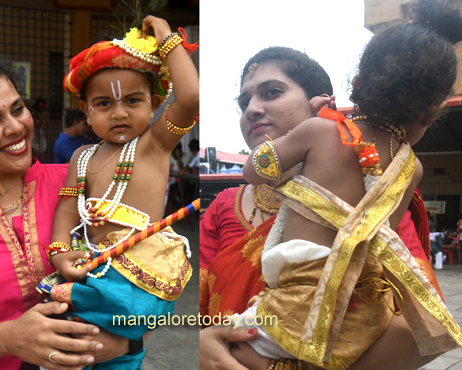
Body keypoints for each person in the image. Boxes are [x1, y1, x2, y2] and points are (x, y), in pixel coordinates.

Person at [238, 0, 462, 367]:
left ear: (357, 84)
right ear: (433, 112)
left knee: (229, 345)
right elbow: (380, 233)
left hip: (294, 301)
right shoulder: (413, 169)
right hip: (363, 308)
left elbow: (253, 170)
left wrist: (302, 129)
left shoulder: (319, 130)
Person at [199, 46, 443, 370]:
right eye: (244, 103)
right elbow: (196, 312)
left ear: (325, 105)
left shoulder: (376, 200)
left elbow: (416, 330)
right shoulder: (222, 206)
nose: (252, 110)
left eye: (272, 92)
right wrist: (201, 348)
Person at [0, 52, 131, 369]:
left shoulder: (82, 182)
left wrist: (128, 341)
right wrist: (6, 338)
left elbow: (144, 281)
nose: (16, 127)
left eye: (18, 110)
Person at [45, 15, 199, 370]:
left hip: (134, 275)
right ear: (86, 111)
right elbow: (68, 208)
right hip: (93, 265)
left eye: (132, 101)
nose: (119, 113)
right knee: (75, 344)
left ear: (154, 102)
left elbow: (190, 97)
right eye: (103, 104)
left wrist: (167, 39)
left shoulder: (154, 144)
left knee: (117, 340)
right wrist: (59, 254)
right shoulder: (81, 158)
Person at [30, 97, 47, 162]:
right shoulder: (34, 114)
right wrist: (38, 137)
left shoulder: (39, 114)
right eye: (41, 107)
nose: (42, 109)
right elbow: (36, 126)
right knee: (36, 147)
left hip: (38, 131)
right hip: (35, 132)